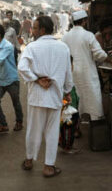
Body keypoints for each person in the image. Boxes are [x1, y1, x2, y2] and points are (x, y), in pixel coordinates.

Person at [17, 16, 73, 178]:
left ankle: (29, 161)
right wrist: (68, 91)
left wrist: (36, 79)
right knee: (52, 132)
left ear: (42, 30)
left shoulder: (32, 47)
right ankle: (49, 167)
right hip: (55, 96)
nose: (32, 31)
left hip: (36, 97)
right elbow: (68, 73)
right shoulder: (63, 48)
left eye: (34, 28)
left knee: (33, 130)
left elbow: (22, 68)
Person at [62, 10, 107, 121]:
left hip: (71, 72)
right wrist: (106, 56)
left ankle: (75, 126)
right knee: (91, 96)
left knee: (75, 97)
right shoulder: (88, 35)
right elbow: (99, 54)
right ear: (84, 21)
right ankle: (93, 120)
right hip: (87, 72)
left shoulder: (65, 37)